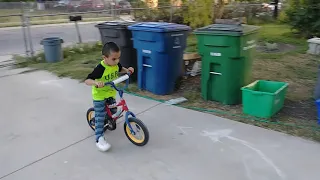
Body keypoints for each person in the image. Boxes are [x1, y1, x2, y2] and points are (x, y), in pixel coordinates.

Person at [85, 42, 134, 152]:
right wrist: (96, 83)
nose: (117, 61)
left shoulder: (116, 65)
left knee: (113, 111)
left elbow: (120, 69)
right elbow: (87, 80)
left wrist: (127, 70)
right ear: (105, 58)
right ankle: (99, 138)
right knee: (100, 117)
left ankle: (109, 121)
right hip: (100, 96)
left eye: (118, 58)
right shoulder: (100, 68)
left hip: (110, 93)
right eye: (114, 59)